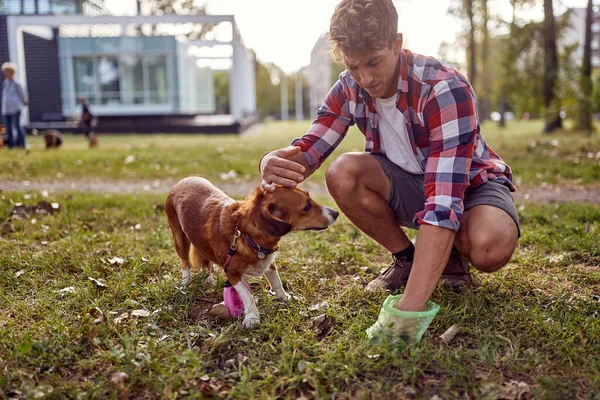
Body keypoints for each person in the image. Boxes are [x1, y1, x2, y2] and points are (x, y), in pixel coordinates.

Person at [259, 0, 520, 324]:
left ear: (397, 43)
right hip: (411, 183)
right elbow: (308, 151)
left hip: (470, 185)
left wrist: (409, 308)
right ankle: (408, 259)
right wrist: (269, 162)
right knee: (343, 172)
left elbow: (443, 200)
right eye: (354, 66)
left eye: (373, 62)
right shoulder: (349, 86)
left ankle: (451, 255)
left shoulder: (444, 87)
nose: (365, 78)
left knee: (489, 247)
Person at [1, 62, 29, 149]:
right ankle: (11, 145)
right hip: (6, 109)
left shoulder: (17, 83)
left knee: (17, 126)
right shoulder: (5, 83)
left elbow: (23, 95)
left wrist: (23, 102)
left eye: (7, 71)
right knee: (8, 128)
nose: (6, 73)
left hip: (15, 108)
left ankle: (22, 144)